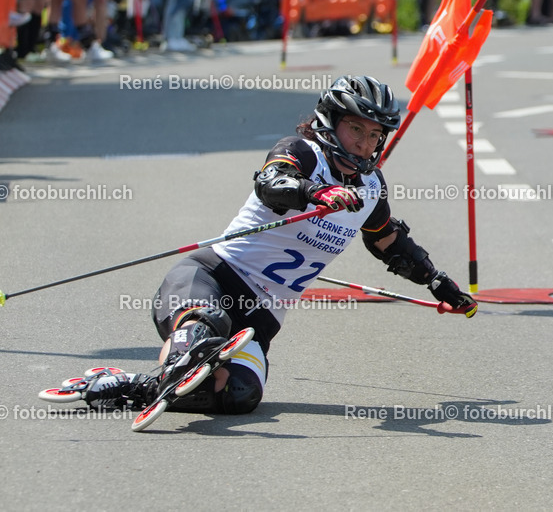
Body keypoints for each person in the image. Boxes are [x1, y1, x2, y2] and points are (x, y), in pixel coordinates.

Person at [76, 75, 477, 416]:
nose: (364, 144)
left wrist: (438, 281)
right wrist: (315, 193)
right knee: (205, 329)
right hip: (212, 277)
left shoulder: (371, 189)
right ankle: (164, 369)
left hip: (262, 316)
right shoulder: (301, 152)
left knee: (239, 396)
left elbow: (389, 242)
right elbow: (271, 184)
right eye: (356, 129)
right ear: (330, 122)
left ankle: (135, 387)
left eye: (374, 135)